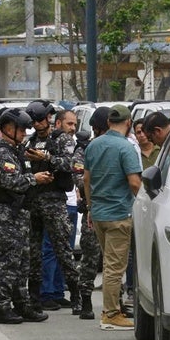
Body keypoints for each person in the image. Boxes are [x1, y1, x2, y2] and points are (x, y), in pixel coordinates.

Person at [0, 108, 52, 324]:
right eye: (21, 129)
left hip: (21, 214)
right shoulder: (1, 153)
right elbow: (9, 181)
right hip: (8, 214)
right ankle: (3, 307)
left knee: (22, 262)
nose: (25, 133)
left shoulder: (16, 152)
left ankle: (22, 304)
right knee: (8, 262)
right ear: (7, 129)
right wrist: (34, 179)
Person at [83, 104, 141, 330]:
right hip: (119, 213)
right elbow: (135, 183)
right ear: (128, 123)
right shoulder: (126, 148)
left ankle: (112, 308)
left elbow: (86, 180)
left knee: (109, 263)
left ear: (108, 123)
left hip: (98, 213)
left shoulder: (93, 146)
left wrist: (89, 206)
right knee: (114, 267)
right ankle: (110, 314)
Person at [24, 101, 81, 316]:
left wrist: (46, 157)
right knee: (34, 253)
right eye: (34, 121)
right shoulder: (30, 140)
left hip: (54, 200)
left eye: (41, 120)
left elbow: (70, 165)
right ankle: (36, 297)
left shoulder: (61, 139)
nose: (38, 124)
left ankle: (76, 296)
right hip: (34, 199)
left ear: (48, 119)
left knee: (62, 249)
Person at [39, 109, 79, 311]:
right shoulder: (50, 141)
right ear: (57, 124)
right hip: (50, 201)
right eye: (69, 124)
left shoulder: (71, 142)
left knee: (64, 250)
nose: (73, 128)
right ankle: (46, 292)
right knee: (50, 249)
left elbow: (73, 167)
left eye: (75, 124)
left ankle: (57, 291)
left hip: (68, 201)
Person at [72, 110, 107, 321]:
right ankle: (85, 298)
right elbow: (78, 177)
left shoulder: (120, 146)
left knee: (114, 260)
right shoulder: (85, 150)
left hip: (114, 210)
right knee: (90, 257)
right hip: (92, 211)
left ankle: (116, 302)